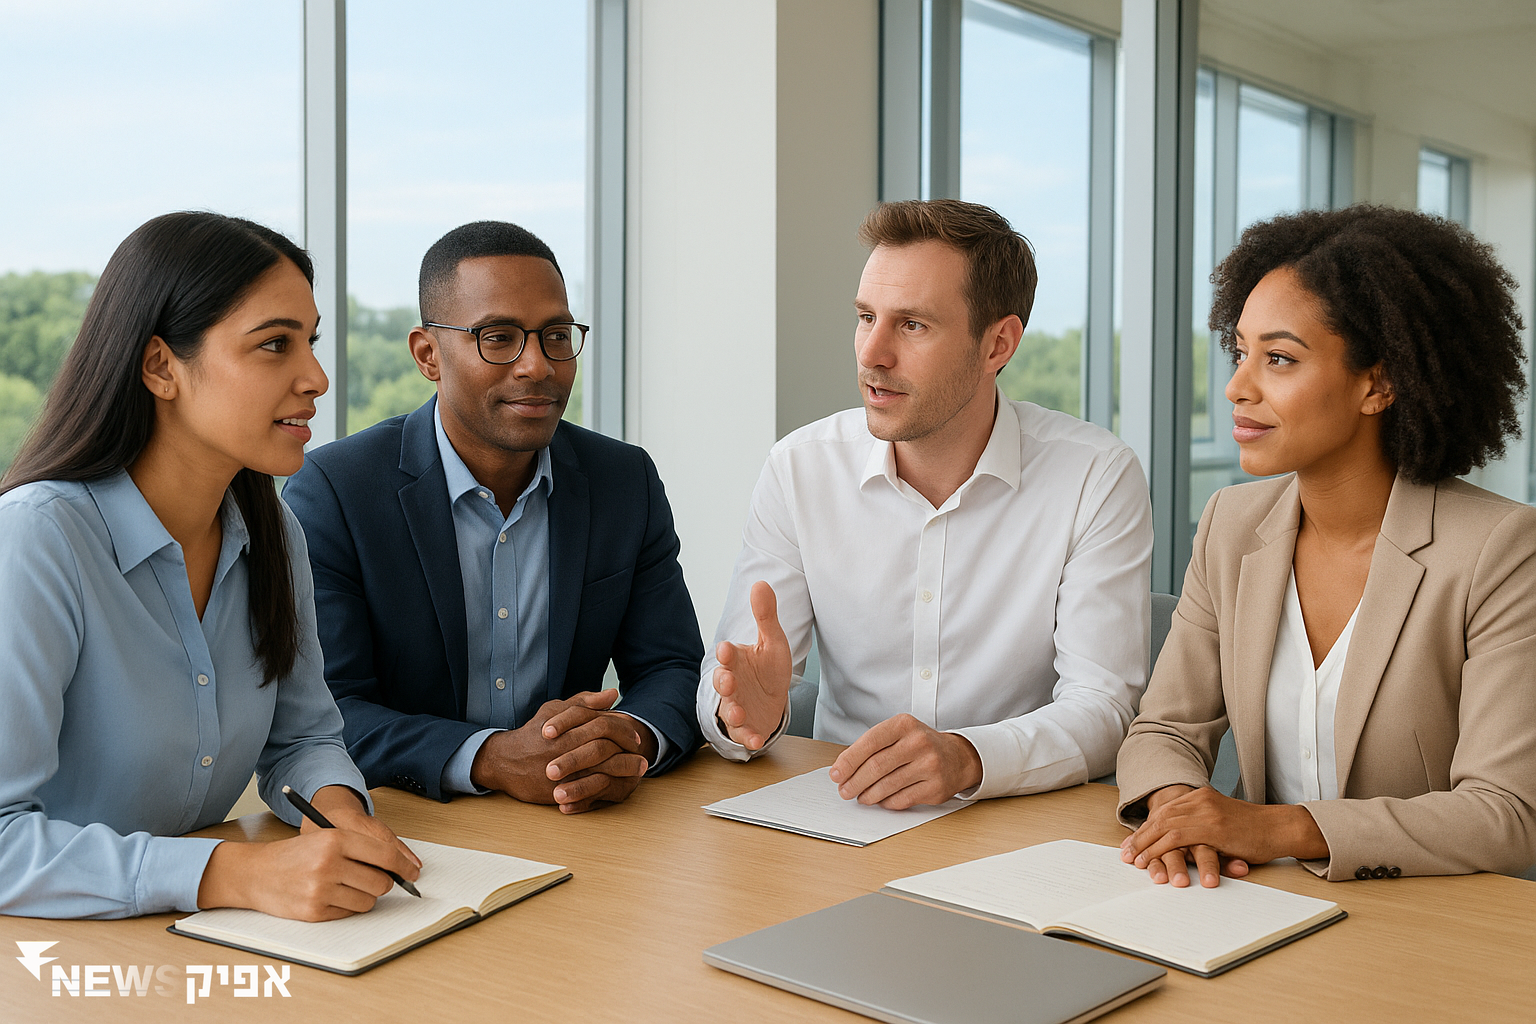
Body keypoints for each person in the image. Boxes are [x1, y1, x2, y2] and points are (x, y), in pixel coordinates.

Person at [0, 212, 420, 920]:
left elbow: (302, 739)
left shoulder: (274, 533)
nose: (316, 378)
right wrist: (233, 874)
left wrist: (340, 819)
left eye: (310, 342)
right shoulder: (37, 538)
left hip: (196, 941)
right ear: (161, 366)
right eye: (275, 344)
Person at [1116, 205, 1536, 887]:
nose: (1236, 387)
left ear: (1379, 384)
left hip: (1425, 916)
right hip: (1250, 897)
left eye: (1279, 359)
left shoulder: (1500, 550)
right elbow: (1164, 730)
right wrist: (1179, 814)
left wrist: (1277, 829)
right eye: (1241, 353)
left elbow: (1505, 813)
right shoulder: (1230, 524)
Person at [698, 199, 1153, 806]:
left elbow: (1104, 707)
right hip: (840, 811)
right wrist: (740, 717)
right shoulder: (799, 468)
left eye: (912, 325)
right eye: (866, 317)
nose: (872, 354)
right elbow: (731, 681)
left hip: (1014, 820)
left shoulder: (1095, 475)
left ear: (998, 345)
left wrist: (968, 757)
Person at [283, 221, 703, 815]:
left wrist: (624, 743)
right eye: (498, 338)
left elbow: (672, 666)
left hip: (580, 820)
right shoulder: (336, 491)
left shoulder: (622, 480)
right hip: (416, 822)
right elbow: (325, 713)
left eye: (556, 336)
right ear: (428, 355)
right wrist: (491, 758)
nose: (537, 365)